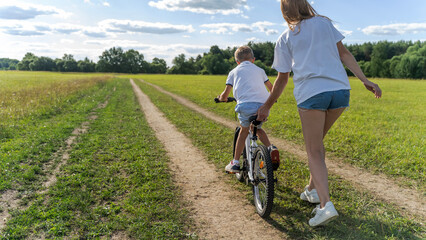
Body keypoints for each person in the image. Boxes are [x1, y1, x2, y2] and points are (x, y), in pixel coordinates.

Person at [256, 0, 382, 227]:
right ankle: (312, 190)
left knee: (313, 150)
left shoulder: (285, 37)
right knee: (317, 144)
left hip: (312, 94)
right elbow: (344, 54)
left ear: (285, 10)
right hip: (341, 92)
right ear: (305, 4)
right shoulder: (324, 24)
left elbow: (283, 78)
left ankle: (325, 205)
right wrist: (364, 80)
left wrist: (266, 106)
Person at [218, 46, 280, 174]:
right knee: (257, 128)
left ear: (237, 61)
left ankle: (235, 162)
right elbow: (271, 87)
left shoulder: (234, 71)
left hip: (245, 105)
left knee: (244, 130)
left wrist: (222, 98)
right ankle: (270, 148)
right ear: (253, 59)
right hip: (263, 106)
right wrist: (273, 99)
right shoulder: (260, 70)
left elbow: (226, 92)